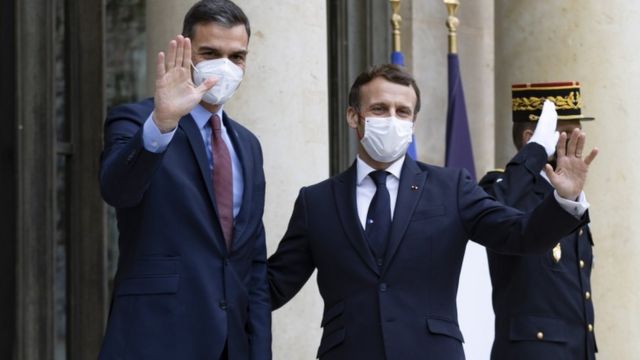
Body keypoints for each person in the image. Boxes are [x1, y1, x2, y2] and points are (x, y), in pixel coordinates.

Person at [267, 65, 598, 360]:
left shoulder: (449, 187)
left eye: (402, 111)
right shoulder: (317, 201)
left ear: (413, 121)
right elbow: (274, 285)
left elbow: (519, 235)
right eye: (380, 109)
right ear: (354, 116)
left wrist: (563, 201)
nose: (392, 119)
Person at [99, 1, 270, 359]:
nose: (225, 66)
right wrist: (162, 123)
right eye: (210, 52)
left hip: (231, 345)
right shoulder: (137, 120)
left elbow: (252, 262)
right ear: (186, 51)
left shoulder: (248, 145)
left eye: (237, 57)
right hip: (156, 338)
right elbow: (117, 189)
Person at [480, 82, 597, 360]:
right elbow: (495, 211)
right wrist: (533, 154)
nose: (575, 141)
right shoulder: (502, 186)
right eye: (565, 134)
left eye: (578, 132)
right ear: (530, 137)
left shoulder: (568, 195)